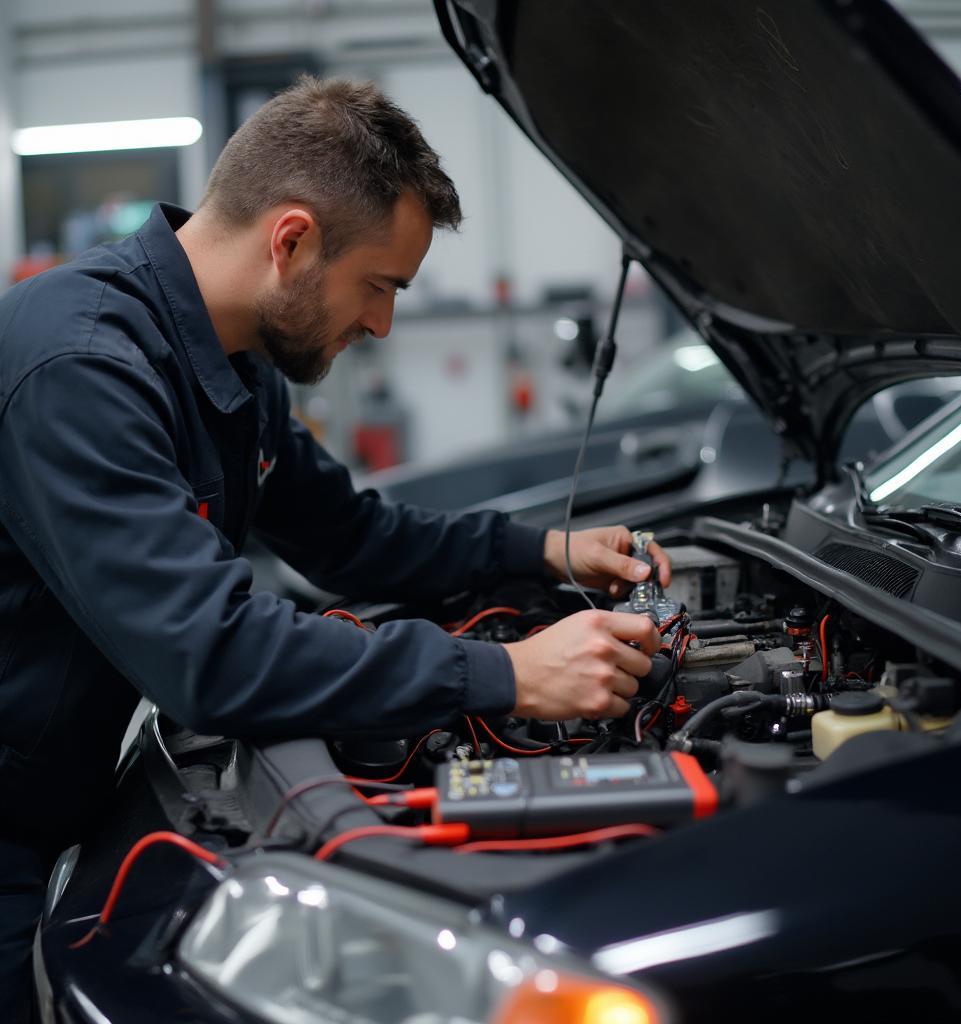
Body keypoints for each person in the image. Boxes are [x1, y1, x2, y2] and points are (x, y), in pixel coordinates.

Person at [0, 77, 669, 1016]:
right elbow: (211, 653)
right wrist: (505, 675)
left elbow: (354, 538)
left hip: (54, 791)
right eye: (380, 286)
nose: (382, 323)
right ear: (292, 240)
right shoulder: (82, 368)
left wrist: (548, 551)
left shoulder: (233, 361)